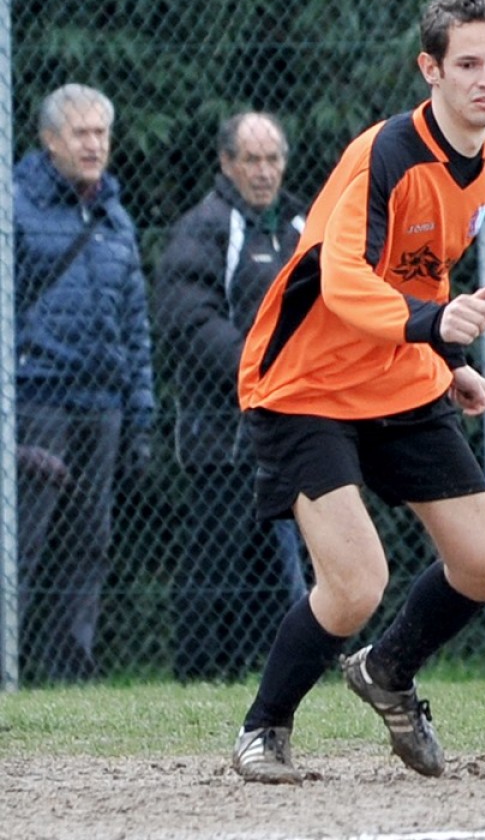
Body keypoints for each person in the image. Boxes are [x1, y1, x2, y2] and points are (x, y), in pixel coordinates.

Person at [228, 0, 485, 784]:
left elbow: (420, 271)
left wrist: (448, 360)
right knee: (355, 580)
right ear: (431, 69)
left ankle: (387, 673)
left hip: (398, 379)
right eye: (467, 63)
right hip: (304, 386)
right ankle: (265, 729)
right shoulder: (385, 153)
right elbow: (339, 276)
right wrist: (433, 328)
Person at [156, 111, 310, 682]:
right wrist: (259, 368)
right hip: (222, 431)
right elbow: (187, 319)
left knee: (283, 561)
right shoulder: (205, 227)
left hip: (296, 423)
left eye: (273, 159)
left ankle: (271, 669)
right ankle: (197, 674)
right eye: (252, 159)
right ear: (227, 163)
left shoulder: (302, 225)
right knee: (214, 553)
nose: (265, 171)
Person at [13, 83, 155, 683]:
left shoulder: (115, 216)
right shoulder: (15, 206)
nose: (95, 144)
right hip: (36, 396)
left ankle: (71, 669)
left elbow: (135, 323)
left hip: (103, 402)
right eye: (81, 133)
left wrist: (142, 411)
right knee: (23, 539)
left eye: (102, 133)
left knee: (89, 544)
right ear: (50, 141)